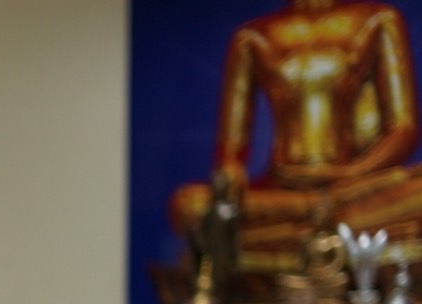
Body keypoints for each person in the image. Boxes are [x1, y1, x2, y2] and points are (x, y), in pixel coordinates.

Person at [170, 0, 422, 266]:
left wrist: (349, 174)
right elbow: (231, 152)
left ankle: (289, 239)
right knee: (191, 206)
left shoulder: (378, 20)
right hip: (286, 193)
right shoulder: (253, 36)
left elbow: (402, 130)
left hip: (355, 188)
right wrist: (230, 175)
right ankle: (321, 227)